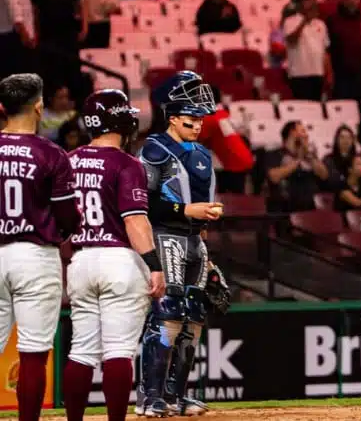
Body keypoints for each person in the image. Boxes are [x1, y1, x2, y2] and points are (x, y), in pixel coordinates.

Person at [62, 89, 165, 421]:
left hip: (80, 260)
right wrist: (154, 265)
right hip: (119, 260)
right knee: (118, 352)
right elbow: (135, 221)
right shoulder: (126, 163)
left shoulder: (69, 160)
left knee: (81, 352)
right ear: (119, 119)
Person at [136, 71, 226, 417]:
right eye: (191, 119)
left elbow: (200, 203)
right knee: (168, 317)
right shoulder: (154, 149)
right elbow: (142, 201)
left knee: (194, 320)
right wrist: (187, 209)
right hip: (166, 236)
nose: (198, 125)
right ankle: (150, 397)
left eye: (201, 120)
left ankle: (175, 395)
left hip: (194, 240)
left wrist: (205, 233)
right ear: (172, 118)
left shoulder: (201, 153)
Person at [0, 73, 81, 421]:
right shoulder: (51, 153)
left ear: (2, 108)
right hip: (35, 255)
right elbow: (68, 217)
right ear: (38, 106)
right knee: (34, 352)